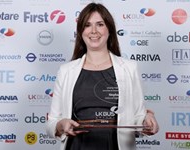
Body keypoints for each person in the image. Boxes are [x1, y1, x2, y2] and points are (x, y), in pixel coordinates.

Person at [46, 2, 159, 150]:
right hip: (77, 146)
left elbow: (138, 116)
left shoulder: (129, 68)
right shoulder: (66, 71)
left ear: (109, 29)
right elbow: (52, 122)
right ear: (81, 31)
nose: (93, 31)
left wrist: (146, 121)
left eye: (100, 24)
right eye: (87, 25)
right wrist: (61, 125)